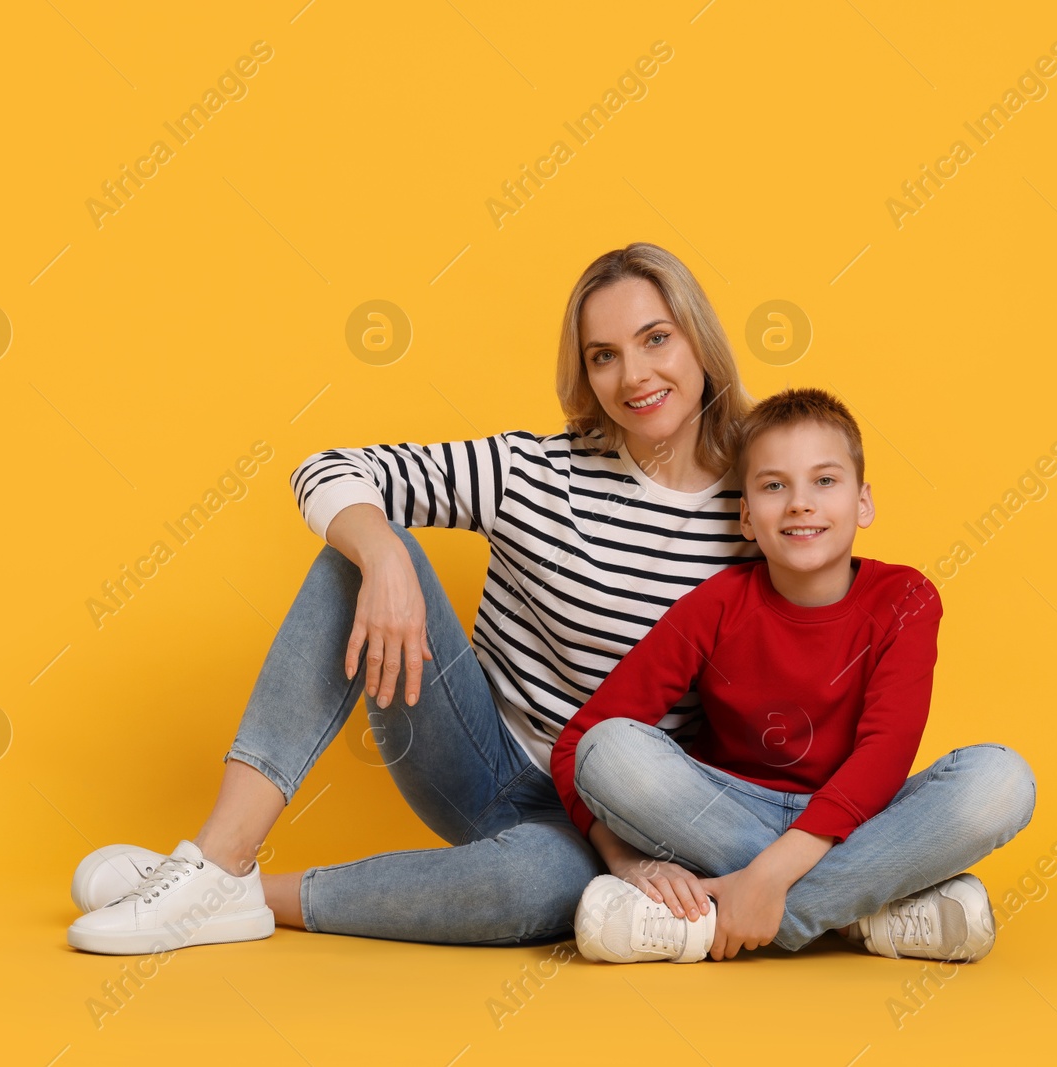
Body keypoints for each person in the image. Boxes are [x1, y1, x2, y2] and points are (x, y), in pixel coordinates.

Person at [65, 241, 765, 954]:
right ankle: (219, 854)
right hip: (472, 754)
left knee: (539, 893)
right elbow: (329, 468)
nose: (634, 374)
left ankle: (236, 895)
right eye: (603, 354)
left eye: (656, 339)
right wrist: (384, 553)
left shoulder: (762, 503)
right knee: (358, 555)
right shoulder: (534, 470)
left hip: (603, 828)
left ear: (698, 340)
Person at [549, 387, 1037, 965]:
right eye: (774, 485)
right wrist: (628, 862)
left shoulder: (905, 597)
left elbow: (885, 752)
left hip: (859, 817)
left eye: (824, 481)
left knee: (1001, 779)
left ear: (863, 503)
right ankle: (864, 912)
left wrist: (769, 878)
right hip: (729, 813)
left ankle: (709, 924)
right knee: (610, 752)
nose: (800, 504)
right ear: (747, 516)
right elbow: (580, 744)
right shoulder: (715, 607)